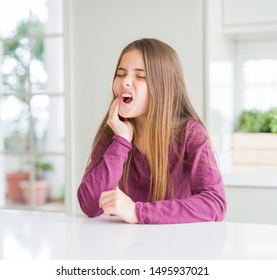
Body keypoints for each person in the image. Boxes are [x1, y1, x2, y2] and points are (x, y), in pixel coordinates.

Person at [77, 38, 226, 224]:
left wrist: (137, 212)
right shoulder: (114, 134)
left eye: (141, 76)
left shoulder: (190, 133)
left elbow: (214, 204)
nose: (125, 82)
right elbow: (89, 204)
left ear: (163, 86)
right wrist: (121, 142)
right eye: (120, 74)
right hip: (126, 248)